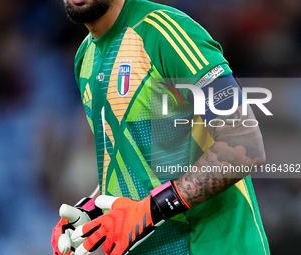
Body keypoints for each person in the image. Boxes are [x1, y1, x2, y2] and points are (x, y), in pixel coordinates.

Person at [52, 0, 270, 254]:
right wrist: (93, 210)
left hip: (213, 245)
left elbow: (244, 144)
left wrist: (152, 208)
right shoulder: (85, 58)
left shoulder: (165, 31)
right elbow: (130, 159)